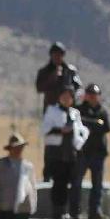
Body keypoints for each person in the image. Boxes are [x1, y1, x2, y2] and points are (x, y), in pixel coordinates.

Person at [41, 86, 88, 219]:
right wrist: (60, 130)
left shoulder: (75, 113)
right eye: (64, 96)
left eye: (69, 97)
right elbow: (45, 129)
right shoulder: (52, 110)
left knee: (70, 182)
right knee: (59, 182)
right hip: (57, 152)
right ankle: (58, 210)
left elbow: (81, 130)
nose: (66, 99)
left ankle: (68, 210)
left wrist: (80, 138)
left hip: (71, 152)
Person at [36, 42, 82, 180]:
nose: (57, 57)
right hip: (51, 112)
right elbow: (39, 87)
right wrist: (53, 77)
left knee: (68, 144)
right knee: (52, 143)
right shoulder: (45, 71)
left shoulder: (70, 70)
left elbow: (78, 88)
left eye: (60, 54)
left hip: (67, 112)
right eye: (55, 54)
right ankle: (48, 176)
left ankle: (67, 176)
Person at [74, 84, 110, 219]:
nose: (92, 97)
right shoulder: (78, 110)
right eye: (90, 94)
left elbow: (106, 127)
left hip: (98, 153)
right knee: (77, 183)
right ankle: (75, 211)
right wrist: (95, 124)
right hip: (82, 152)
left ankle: (95, 211)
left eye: (95, 94)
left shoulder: (102, 111)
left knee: (97, 185)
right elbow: (78, 125)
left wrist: (90, 123)